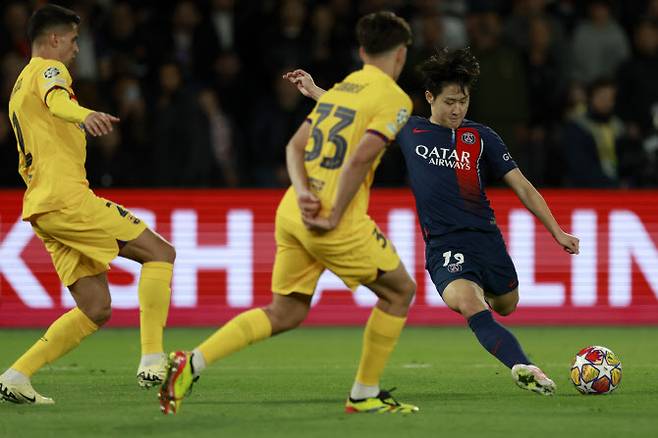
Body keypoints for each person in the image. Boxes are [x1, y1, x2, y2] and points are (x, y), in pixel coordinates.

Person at [159, 11, 418, 415]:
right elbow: (361, 158)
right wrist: (331, 217)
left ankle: (192, 362)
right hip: (334, 222)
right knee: (401, 291)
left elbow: (294, 147)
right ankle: (365, 392)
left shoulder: (343, 89)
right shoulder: (395, 98)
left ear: (363, 50)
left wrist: (301, 192)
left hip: (293, 211)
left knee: (286, 311)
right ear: (401, 54)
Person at [286, 47, 580, 395]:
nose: (457, 109)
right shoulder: (409, 130)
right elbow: (358, 112)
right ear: (430, 98)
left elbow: (523, 187)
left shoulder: (482, 137)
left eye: (463, 101)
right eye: (449, 101)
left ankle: (495, 312)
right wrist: (317, 91)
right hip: (444, 246)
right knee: (471, 304)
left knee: (506, 306)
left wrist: (556, 230)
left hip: (486, 241)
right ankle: (523, 365)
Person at [0, 4, 175, 405]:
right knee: (160, 253)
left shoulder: (18, 84)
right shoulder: (49, 69)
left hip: (43, 208)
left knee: (95, 307)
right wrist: (86, 114)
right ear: (55, 38)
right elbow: (58, 100)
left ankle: (17, 375)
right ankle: (152, 358)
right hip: (67, 199)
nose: (78, 49)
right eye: (74, 40)